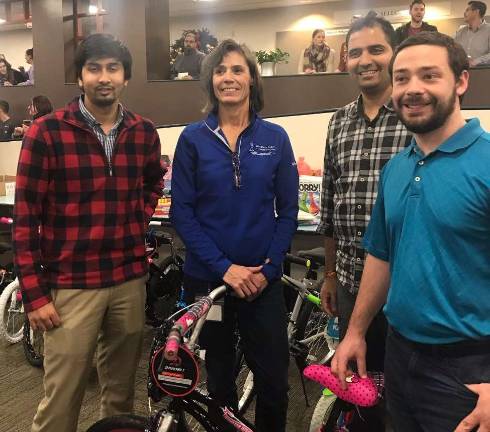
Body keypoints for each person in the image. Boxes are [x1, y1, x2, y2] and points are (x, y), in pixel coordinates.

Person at [332, 31, 490, 432]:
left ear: (461, 81)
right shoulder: (397, 169)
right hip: (399, 358)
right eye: (402, 78)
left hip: (468, 371)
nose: (412, 89)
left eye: (429, 76)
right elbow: (381, 256)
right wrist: (355, 332)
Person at [13, 33, 164, 432]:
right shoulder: (46, 133)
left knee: (119, 398)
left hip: (128, 281)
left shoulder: (144, 132)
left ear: (125, 77)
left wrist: (136, 220)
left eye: (112, 68)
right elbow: (25, 218)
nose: (104, 77)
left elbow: (154, 184)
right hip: (70, 286)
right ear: (80, 77)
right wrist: (33, 293)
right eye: (94, 68)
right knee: (62, 399)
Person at [170, 39, 298, 432]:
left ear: (252, 79)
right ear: (211, 81)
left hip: (262, 282)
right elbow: (182, 214)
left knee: (275, 379)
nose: (229, 78)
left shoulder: (275, 138)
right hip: (209, 284)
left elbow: (288, 211)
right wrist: (226, 270)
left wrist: (269, 268)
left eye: (237, 70)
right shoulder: (192, 139)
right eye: (221, 71)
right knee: (218, 379)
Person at [317, 14, 412, 430]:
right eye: (356, 52)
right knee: (359, 386)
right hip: (354, 283)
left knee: (407, 390)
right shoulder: (338, 122)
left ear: (393, 54)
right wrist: (331, 274)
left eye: (376, 49)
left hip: (408, 286)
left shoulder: (414, 115)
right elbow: (331, 206)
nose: (365, 60)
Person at [455, 1, 490, 66]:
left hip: (483, 73)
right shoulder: (461, 31)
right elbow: (453, 50)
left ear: (476, 12)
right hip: (461, 71)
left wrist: (475, 61)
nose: (464, 13)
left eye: (467, 10)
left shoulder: (488, 30)